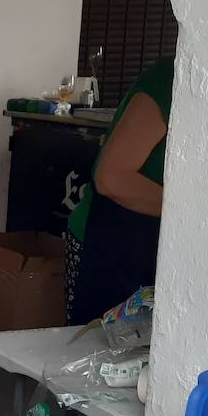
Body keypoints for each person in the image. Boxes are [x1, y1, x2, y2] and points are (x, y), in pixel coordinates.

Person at [66, 57, 174, 324]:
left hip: (153, 243)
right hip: (108, 240)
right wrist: (193, 212)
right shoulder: (168, 82)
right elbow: (112, 177)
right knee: (95, 351)